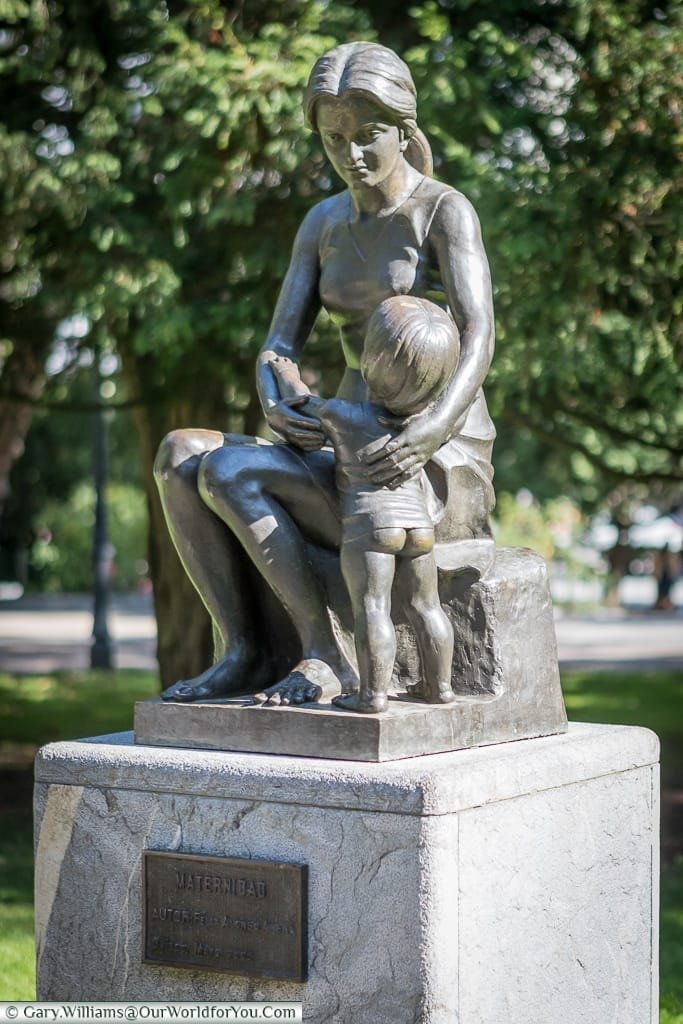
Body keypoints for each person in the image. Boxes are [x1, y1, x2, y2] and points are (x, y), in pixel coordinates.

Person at [155, 41, 496, 706]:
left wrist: (427, 430)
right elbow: (280, 340)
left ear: (404, 130)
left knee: (228, 470)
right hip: (346, 435)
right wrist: (275, 388)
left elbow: (479, 332)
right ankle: (247, 650)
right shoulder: (322, 222)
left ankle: (324, 656)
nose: (352, 156)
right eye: (333, 139)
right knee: (179, 455)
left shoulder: (442, 211)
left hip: (431, 453)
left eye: (368, 137)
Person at [268, 295, 458, 713]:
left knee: (374, 607)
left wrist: (285, 372)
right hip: (420, 528)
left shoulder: (343, 414)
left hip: (372, 528)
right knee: (427, 606)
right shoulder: (424, 426)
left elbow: (301, 399)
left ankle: (372, 696)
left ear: (370, 361)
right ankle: (440, 688)